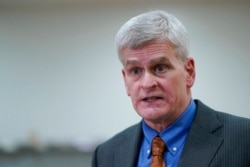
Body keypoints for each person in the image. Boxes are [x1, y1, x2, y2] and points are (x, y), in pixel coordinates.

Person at [92, 10, 250, 167]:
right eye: (135, 71)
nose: (147, 83)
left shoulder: (244, 140)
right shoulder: (106, 155)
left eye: (160, 68)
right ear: (126, 81)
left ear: (189, 72)